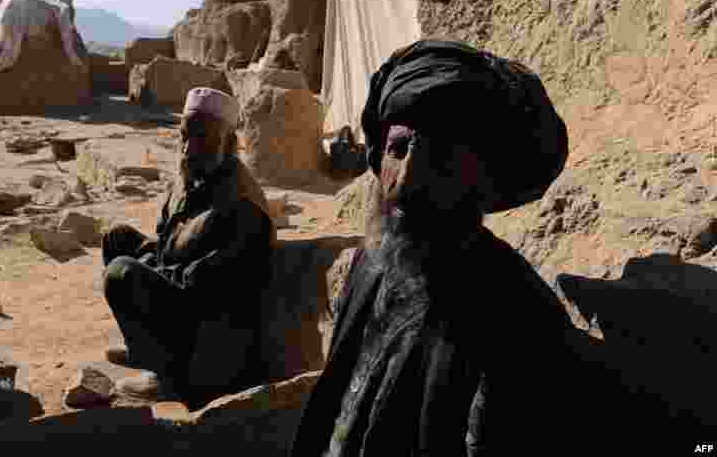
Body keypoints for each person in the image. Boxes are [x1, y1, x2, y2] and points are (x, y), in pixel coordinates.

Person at [289, 39, 635, 456]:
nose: (407, 178)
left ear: (484, 181)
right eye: (398, 149)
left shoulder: (516, 312)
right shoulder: (373, 262)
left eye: (441, 159)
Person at [100, 87, 275, 404]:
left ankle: (169, 377)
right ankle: (144, 350)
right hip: (180, 284)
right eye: (185, 136)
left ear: (227, 143)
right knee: (118, 239)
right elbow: (167, 239)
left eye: (202, 138)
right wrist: (155, 262)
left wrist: (154, 270)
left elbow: (208, 283)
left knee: (121, 273)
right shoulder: (192, 175)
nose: (188, 148)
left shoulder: (242, 204)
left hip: (212, 329)